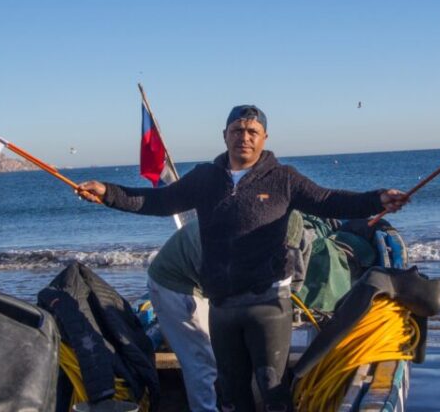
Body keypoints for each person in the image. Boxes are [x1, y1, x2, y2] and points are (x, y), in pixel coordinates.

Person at [78, 105, 408, 411]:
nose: (244, 137)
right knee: (232, 391)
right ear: (225, 136)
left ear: (264, 138)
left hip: (268, 304)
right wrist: (109, 194)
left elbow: (329, 200)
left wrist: (377, 199)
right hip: (222, 305)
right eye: (237, 130)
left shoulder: (284, 179)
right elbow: (158, 202)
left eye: (253, 131)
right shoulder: (204, 178)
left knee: (271, 384)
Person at [146, 219, 217, 412]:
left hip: (192, 277)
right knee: (202, 358)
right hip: (174, 286)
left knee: (211, 354)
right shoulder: (222, 237)